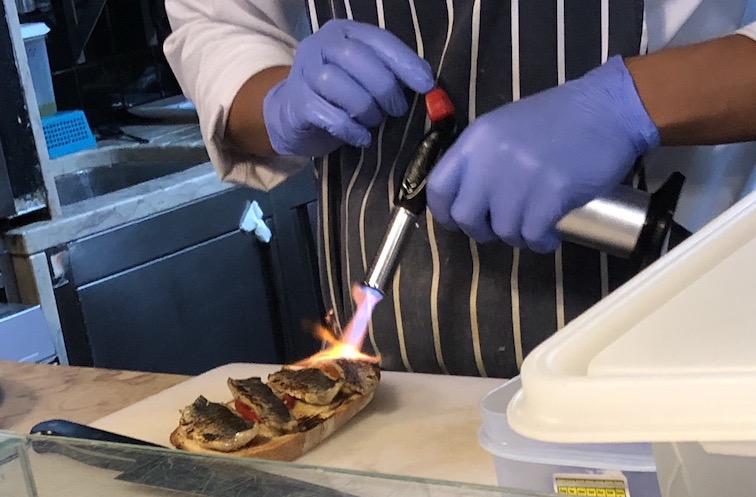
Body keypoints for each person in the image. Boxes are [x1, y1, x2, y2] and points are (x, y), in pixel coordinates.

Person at [163, 1, 756, 378]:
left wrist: (629, 104)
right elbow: (217, 22)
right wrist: (275, 99)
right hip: (397, 366)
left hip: (686, 347)